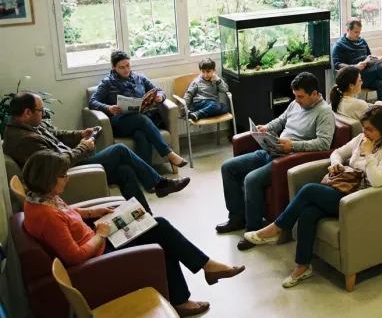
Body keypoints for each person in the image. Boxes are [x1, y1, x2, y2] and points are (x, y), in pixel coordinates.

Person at [21, 151, 245, 317]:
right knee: (161, 234)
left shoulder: (41, 198)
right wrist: (100, 233)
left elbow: (68, 212)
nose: (67, 179)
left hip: (97, 240)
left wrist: (91, 212)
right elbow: (74, 257)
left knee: (158, 226)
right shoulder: (47, 216)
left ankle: (195, 281)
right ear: (48, 178)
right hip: (98, 255)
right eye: (62, 176)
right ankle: (202, 274)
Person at [242, 105, 382, 288]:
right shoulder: (361, 139)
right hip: (345, 189)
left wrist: (370, 154)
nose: (366, 133)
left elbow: (378, 181)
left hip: (361, 200)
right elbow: (337, 152)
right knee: (308, 212)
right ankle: (303, 266)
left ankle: (277, 228)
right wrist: (336, 163)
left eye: (370, 129)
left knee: (309, 190)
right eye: (364, 128)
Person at [3, 92, 189, 213]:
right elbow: (56, 164)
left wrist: (81, 134)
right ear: (27, 112)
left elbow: (57, 134)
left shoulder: (31, 125)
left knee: (126, 171)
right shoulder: (22, 140)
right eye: (40, 111)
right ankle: (159, 183)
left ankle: (145, 215)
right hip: (66, 172)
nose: (43, 114)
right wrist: (83, 147)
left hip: (71, 162)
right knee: (120, 150)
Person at [216, 72, 335, 251]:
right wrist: (266, 128)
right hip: (272, 150)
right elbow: (281, 120)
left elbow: (324, 143)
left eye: (301, 96)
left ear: (314, 94)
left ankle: (254, 230)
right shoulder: (295, 103)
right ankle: (237, 217)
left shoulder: (324, 113)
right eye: (295, 96)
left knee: (251, 179)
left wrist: (293, 146)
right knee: (228, 167)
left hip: (288, 159)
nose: (297, 100)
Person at [89, 50, 189, 170]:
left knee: (141, 135)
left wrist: (160, 97)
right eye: (121, 67)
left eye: (128, 65)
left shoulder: (139, 77)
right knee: (141, 119)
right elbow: (92, 102)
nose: (126, 70)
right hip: (120, 123)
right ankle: (169, 154)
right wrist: (108, 108)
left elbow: (159, 90)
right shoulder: (107, 82)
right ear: (113, 67)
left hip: (141, 121)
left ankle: (147, 175)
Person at [331, 19, 382, 106]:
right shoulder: (339, 45)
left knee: (381, 82)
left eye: (359, 32)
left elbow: (369, 56)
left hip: (368, 73)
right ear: (348, 30)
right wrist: (355, 66)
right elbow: (337, 65)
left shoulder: (362, 41)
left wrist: (376, 60)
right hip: (354, 77)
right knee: (379, 70)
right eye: (356, 32)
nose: (358, 34)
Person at [184, 58, 230, 122]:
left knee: (225, 107)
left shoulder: (216, 80)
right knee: (216, 106)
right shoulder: (196, 81)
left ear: (214, 71)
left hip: (212, 104)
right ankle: (198, 113)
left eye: (208, 71)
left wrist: (218, 80)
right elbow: (188, 94)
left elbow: (225, 89)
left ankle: (197, 114)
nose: (205, 75)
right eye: (203, 72)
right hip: (200, 103)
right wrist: (185, 109)